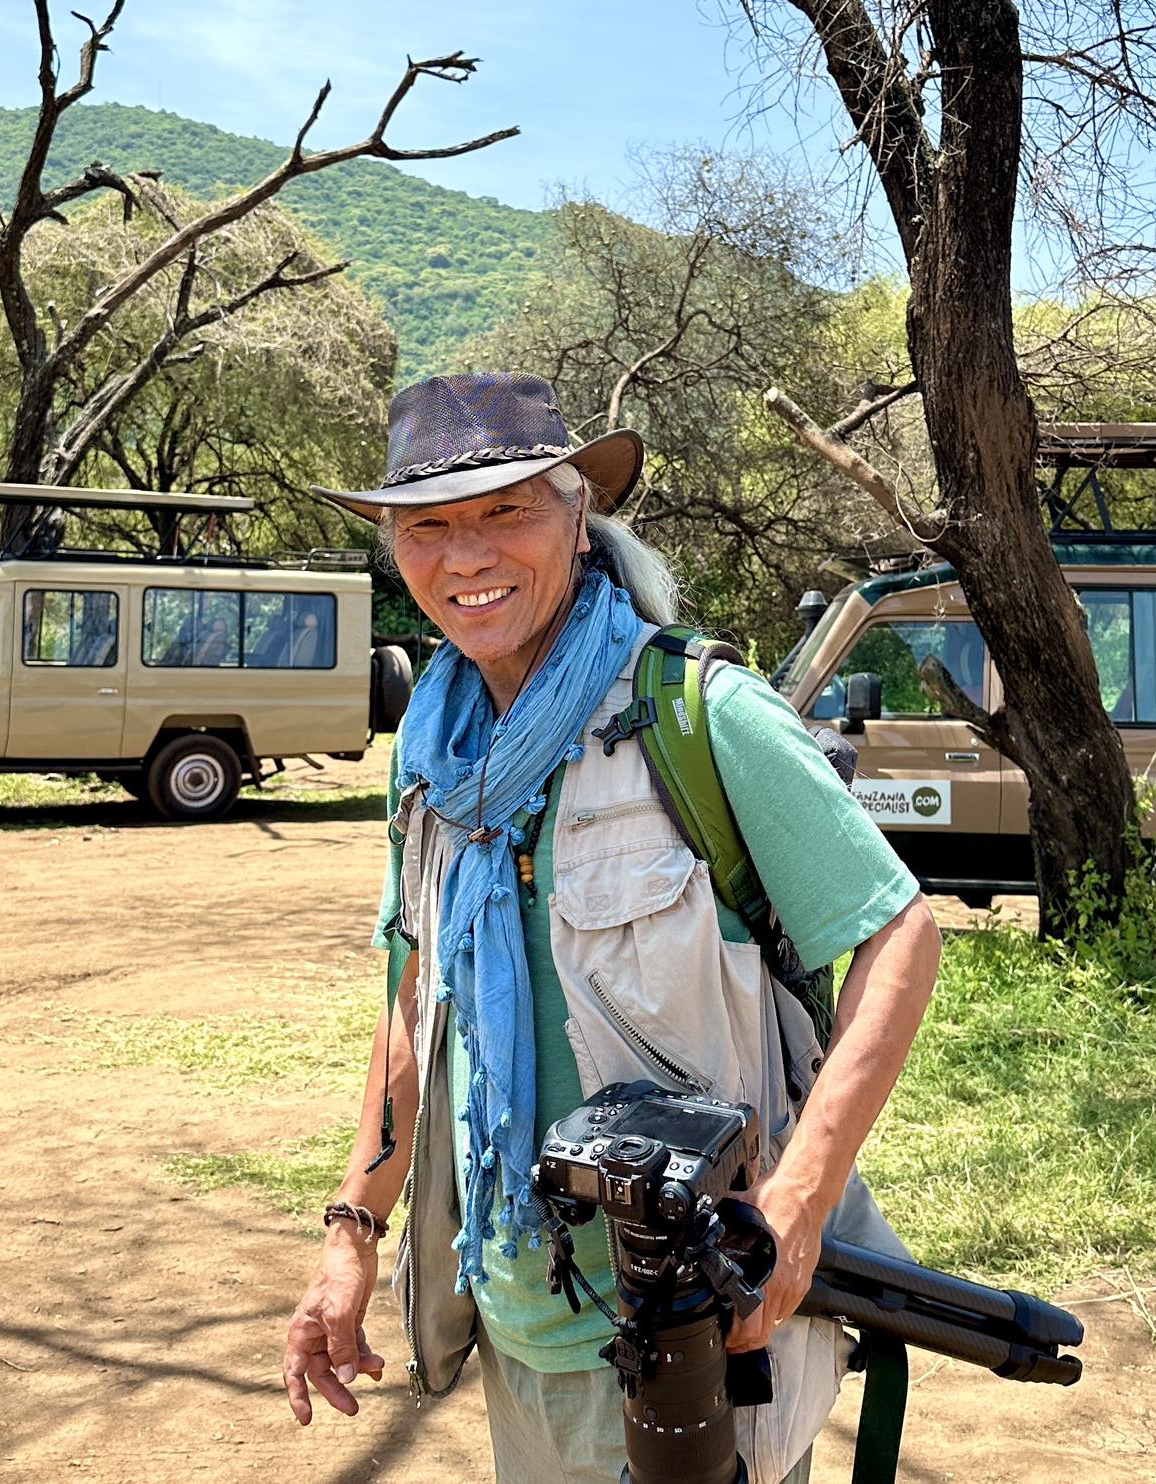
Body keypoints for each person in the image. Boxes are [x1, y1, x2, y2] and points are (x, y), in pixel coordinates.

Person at [284, 372, 943, 1484]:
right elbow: (416, 1003)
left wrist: (800, 1197)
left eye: (506, 512)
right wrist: (353, 1231)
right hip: (515, 1324)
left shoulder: (697, 711)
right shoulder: (433, 757)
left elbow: (900, 935)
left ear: (578, 519)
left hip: (691, 1332)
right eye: (430, 526)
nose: (467, 555)